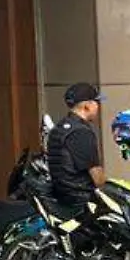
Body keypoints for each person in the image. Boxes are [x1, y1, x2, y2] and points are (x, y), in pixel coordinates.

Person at [46, 83, 106, 215]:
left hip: (62, 197)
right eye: (96, 102)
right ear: (87, 106)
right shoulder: (81, 132)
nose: (98, 107)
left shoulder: (59, 128)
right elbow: (97, 176)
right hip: (81, 203)